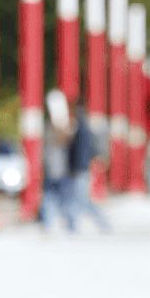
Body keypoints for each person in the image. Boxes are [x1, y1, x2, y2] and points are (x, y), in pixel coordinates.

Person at [38, 89, 110, 234]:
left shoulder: (80, 129)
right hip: (73, 171)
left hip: (77, 171)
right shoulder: (80, 127)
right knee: (72, 200)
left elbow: (74, 148)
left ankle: (90, 225)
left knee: (80, 200)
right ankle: (70, 226)